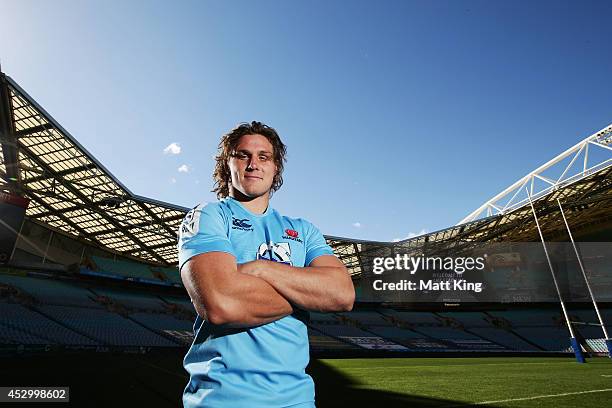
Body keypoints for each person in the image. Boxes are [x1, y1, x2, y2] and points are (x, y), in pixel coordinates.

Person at [178, 121, 355, 408]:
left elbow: (343, 294)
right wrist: (307, 294)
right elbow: (220, 303)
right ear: (228, 164)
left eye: (264, 157)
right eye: (242, 155)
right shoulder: (209, 216)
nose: (253, 164)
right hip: (222, 400)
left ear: (276, 169)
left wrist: (260, 269)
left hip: (296, 401)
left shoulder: (304, 230)